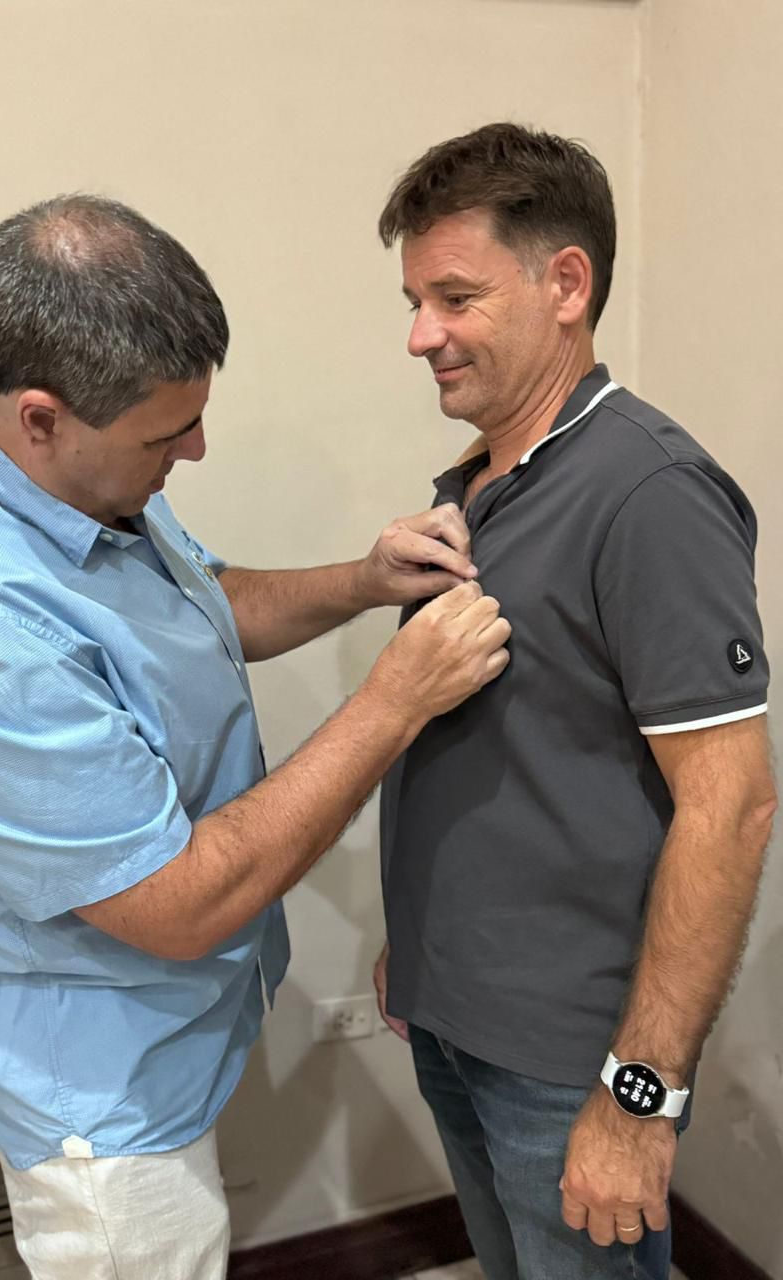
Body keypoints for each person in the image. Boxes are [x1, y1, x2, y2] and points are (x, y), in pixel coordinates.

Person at [0, 194, 510, 1280]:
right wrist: (395, 700)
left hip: (166, 1025)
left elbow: (189, 606)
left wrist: (361, 581)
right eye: (164, 436)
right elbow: (175, 903)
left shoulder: (50, 462)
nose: (194, 449)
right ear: (41, 416)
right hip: (100, 1096)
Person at [371, 123, 776, 1280]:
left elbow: (733, 806)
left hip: (569, 1060)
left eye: (454, 297)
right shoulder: (480, 486)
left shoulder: (649, 493)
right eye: (414, 300)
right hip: (454, 1015)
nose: (420, 334)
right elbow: (511, 757)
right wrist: (421, 944)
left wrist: (639, 1097)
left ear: (565, 284)